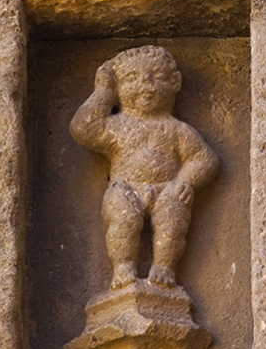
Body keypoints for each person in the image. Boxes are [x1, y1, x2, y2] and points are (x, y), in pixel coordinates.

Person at [70, 45, 219, 290]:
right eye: (131, 79)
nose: (145, 85)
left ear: (175, 83)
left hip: (166, 190)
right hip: (125, 187)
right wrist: (103, 93)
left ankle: (164, 268)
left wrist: (185, 181)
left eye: (157, 77)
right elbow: (83, 129)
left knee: (173, 217)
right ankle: (123, 267)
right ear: (119, 88)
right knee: (123, 217)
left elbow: (204, 159)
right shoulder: (118, 127)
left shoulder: (177, 130)